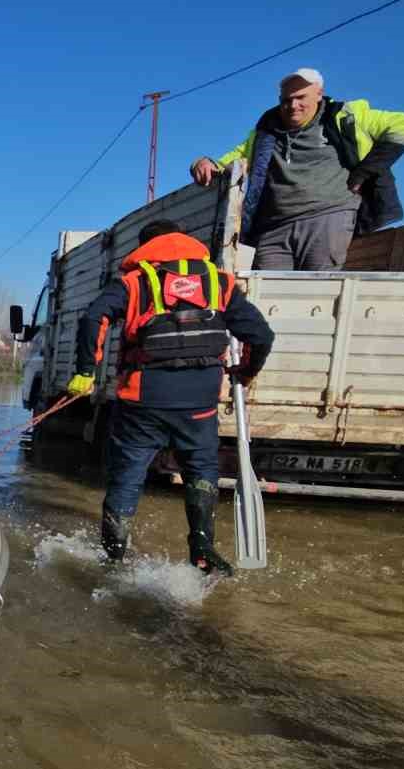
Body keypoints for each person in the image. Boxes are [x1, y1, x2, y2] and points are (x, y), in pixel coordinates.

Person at [68, 220, 275, 575]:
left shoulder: (135, 282)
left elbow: (93, 318)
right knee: (200, 471)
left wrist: (87, 371)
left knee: (127, 476)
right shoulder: (220, 283)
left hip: (142, 401)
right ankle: (201, 548)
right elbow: (262, 335)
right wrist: (246, 373)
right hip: (199, 404)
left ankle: (113, 560)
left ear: (147, 246)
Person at [189, 68, 404, 270]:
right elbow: (237, 156)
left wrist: (366, 170)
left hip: (327, 216)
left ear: (319, 94)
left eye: (301, 98)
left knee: (314, 290)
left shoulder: (346, 117)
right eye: (286, 100)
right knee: (265, 290)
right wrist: (205, 162)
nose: (293, 106)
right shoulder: (267, 131)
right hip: (274, 225)